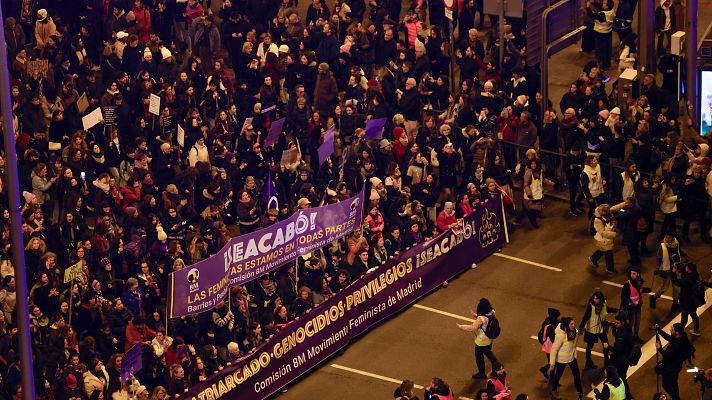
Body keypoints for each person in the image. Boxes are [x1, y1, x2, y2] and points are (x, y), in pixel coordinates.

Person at [456, 298, 499, 380]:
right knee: (487, 351)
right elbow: (486, 319)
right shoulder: (492, 312)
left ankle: (481, 373)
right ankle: (496, 364)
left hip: (481, 341)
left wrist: (461, 326)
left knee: (479, 356)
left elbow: (472, 328)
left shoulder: (481, 318)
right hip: (490, 338)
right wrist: (476, 315)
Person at [655, 323, 695, 400]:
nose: (670, 330)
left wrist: (659, 348)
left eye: (672, 329)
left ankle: (676, 398)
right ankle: (676, 396)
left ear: (676, 332)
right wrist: (660, 332)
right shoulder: (682, 336)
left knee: (666, 384)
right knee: (673, 382)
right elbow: (671, 338)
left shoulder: (676, 346)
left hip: (671, 368)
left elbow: (667, 356)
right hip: (677, 366)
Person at [671, 262, 712, 336]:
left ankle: (680, 332)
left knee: (684, 317)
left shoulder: (687, 280)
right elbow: (687, 275)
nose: (685, 267)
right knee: (693, 314)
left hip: (686, 301)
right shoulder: (696, 275)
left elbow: (675, 281)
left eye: (686, 267)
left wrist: (674, 272)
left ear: (689, 270)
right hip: (693, 301)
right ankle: (696, 330)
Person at [579, 291, 616, 369]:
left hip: (600, 329)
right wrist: (581, 328)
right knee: (589, 347)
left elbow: (606, 309)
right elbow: (585, 317)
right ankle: (588, 362)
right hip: (591, 331)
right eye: (594, 298)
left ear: (600, 299)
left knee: (605, 344)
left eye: (597, 298)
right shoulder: (591, 306)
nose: (595, 300)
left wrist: (615, 310)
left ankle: (607, 361)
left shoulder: (603, 304)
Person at [548, 317, 583, 400]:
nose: (574, 325)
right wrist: (552, 364)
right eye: (572, 324)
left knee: (577, 375)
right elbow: (554, 349)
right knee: (558, 376)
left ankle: (580, 394)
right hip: (562, 360)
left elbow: (576, 335)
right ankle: (553, 390)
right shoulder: (561, 335)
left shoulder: (573, 331)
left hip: (571, 358)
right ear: (567, 326)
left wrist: (579, 333)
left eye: (574, 323)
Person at [651, 232, 687, 310]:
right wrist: (657, 268)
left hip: (675, 268)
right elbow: (659, 258)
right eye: (666, 237)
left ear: (673, 238)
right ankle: (654, 298)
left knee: (676, 288)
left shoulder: (676, 243)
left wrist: (686, 256)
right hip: (665, 270)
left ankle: (675, 304)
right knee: (664, 288)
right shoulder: (662, 246)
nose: (667, 239)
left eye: (669, 237)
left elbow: (679, 251)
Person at [608, 312, 634, 399]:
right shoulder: (627, 328)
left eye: (617, 323)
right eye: (615, 322)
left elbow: (618, 349)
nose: (615, 324)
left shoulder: (622, 334)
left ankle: (628, 396)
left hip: (621, 360)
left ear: (622, 323)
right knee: (622, 378)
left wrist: (608, 347)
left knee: (621, 379)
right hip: (626, 357)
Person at [589, 204, 617, 274]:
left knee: (603, 250)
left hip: (605, 239)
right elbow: (602, 232)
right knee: (608, 253)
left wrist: (625, 203)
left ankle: (593, 259)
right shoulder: (598, 220)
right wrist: (614, 234)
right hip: (603, 239)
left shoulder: (605, 213)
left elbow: (615, 208)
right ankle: (610, 268)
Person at [537, 307, 561, 379]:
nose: (559, 317)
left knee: (552, 362)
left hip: (548, 347)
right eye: (558, 316)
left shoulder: (548, 321)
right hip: (551, 348)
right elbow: (553, 338)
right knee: (553, 363)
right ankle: (548, 373)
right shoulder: (551, 326)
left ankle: (549, 375)